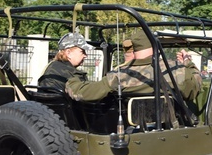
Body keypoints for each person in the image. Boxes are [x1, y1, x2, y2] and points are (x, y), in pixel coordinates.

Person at [65, 30, 201, 103]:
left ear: (134, 50)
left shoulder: (119, 75)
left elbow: (83, 93)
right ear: (156, 46)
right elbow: (194, 89)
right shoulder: (176, 72)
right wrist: (188, 63)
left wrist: (72, 79)